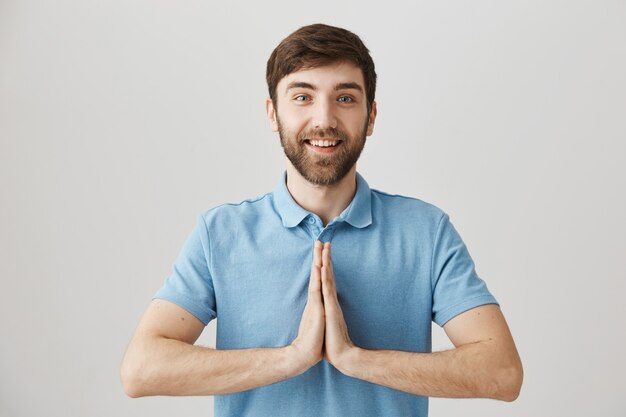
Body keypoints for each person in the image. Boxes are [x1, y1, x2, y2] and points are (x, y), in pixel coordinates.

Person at [120, 23, 523, 417]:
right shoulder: (220, 234)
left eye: (345, 98)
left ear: (371, 116)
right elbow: (141, 370)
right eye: (302, 97)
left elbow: (501, 372)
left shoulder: (426, 232)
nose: (324, 119)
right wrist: (291, 358)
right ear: (272, 113)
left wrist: (354, 359)